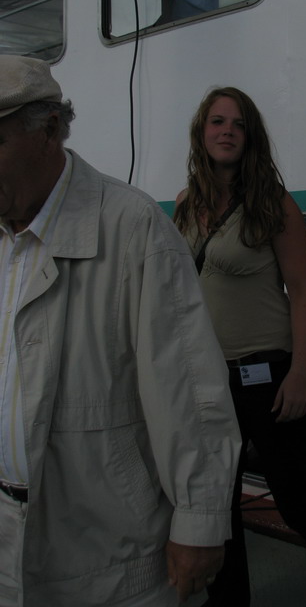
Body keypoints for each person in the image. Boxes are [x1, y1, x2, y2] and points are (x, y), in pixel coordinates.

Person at [0, 55, 242, 607]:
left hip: (110, 554)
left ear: (49, 131)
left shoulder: (133, 227)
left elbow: (188, 387)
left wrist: (200, 520)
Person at [173, 86, 306, 607]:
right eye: (217, 121)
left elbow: (305, 290)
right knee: (217, 504)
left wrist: (297, 373)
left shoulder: (273, 203)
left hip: (270, 375)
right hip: (210, 381)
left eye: (238, 124)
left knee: (298, 498)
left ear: (251, 137)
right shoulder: (184, 205)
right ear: (202, 132)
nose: (227, 131)